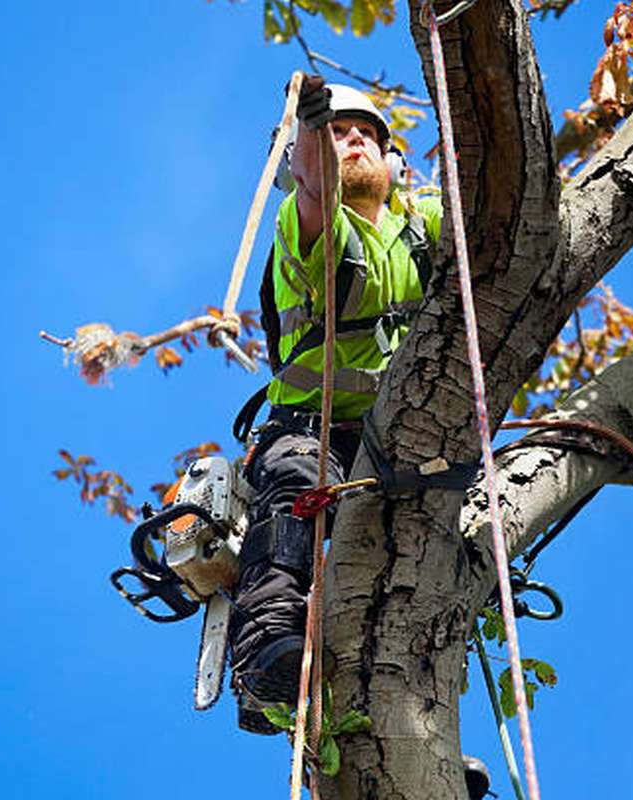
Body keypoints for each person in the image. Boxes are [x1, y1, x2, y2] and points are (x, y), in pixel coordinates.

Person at [229, 75, 442, 734]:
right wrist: (312, 125)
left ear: (395, 163)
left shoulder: (423, 221)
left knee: (425, 556)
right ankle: (268, 653)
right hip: (310, 426)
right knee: (297, 493)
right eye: (339, 134)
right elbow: (316, 180)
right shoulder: (304, 221)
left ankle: (417, 714)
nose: (352, 144)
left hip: (400, 435)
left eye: (366, 136)